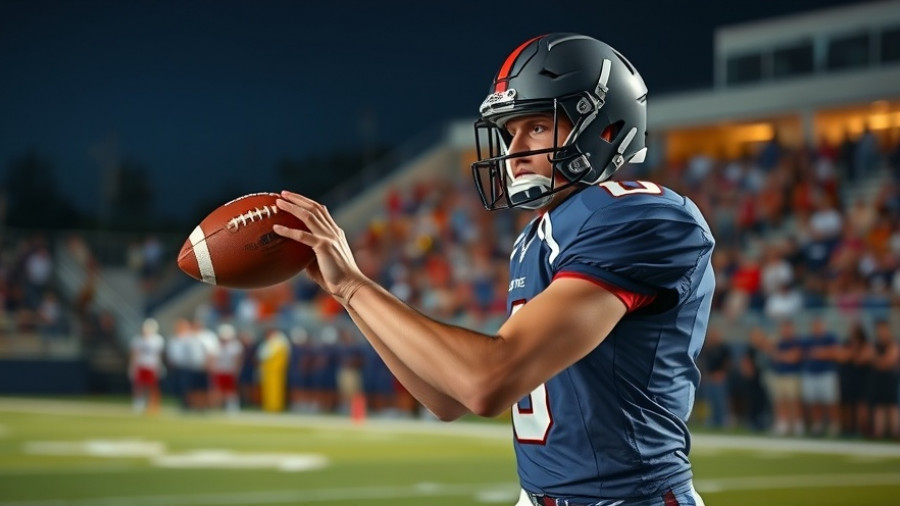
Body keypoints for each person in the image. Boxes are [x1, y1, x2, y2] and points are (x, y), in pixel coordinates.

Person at [274, 33, 714, 506]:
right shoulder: (537, 235)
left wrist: (358, 287)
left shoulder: (639, 214)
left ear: (605, 128)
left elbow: (486, 383)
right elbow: (447, 398)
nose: (515, 149)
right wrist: (345, 291)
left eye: (538, 127)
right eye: (510, 132)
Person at [128, 318, 165, 414]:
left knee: (152, 386)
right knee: (139, 386)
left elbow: (158, 355)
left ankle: (152, 404)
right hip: (141, 365)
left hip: (152, 365)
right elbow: (134, 355)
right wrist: (132, 367)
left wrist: (159, 366)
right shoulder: (137, 340)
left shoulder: (158, 340)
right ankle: (139, 403)